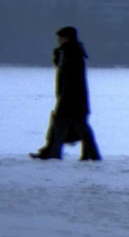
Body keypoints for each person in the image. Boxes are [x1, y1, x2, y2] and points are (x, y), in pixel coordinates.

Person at [31, 26, 101, 161]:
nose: (58, 40)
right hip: (73, 97)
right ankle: (88, 155)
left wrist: (64, 95)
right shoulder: (70, 52)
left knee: (63, 125)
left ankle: (53, 154)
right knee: (76, 127)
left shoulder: (72, 53)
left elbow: (71, 77)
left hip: (72, 97)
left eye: (60, 37)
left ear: (66, 38)